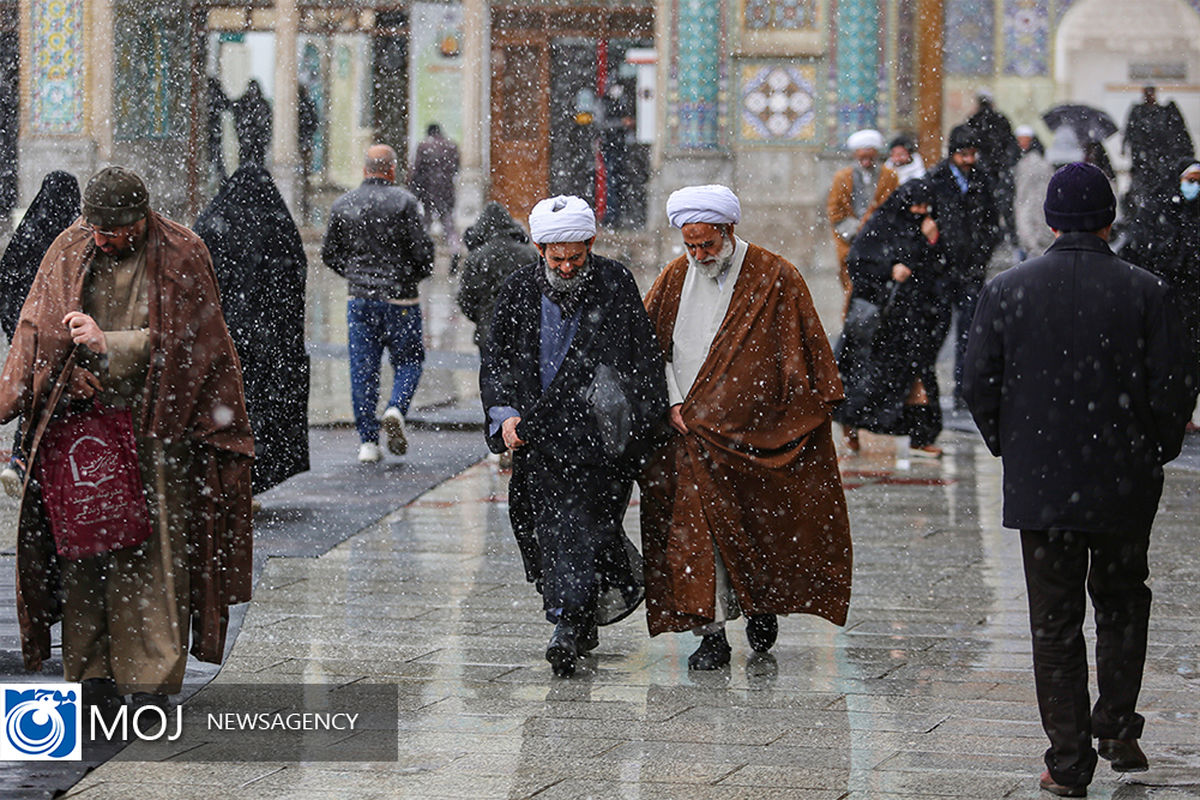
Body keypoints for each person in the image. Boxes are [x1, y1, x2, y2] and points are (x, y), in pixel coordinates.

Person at [963, 162, 1196, 798]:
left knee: (1055, 621)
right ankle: (1117, 724)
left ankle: (1068, 760)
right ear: (1108, 218)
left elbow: (976, 385)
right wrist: (1154, 449)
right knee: (1122, 600)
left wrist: (1013, 447)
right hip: (1123, 480)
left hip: (1043, 486)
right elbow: (1174, 385)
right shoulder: (1147, 290)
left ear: (1050, 220)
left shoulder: (1008, 290)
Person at [0, 166, 254, 716]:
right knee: (84, 554)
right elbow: (34, 329)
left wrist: (109, 343)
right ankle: (90, 672)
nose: (101, 240)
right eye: (95, 229)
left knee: (152, 555)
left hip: (155, 432)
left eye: (112, 231)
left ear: (140, 221)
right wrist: (22, 390)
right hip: (84, 431)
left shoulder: (181, 253)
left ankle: (149, 680)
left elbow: (194, 344)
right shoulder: (69, 248)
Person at [640, 184, 852, 670]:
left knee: (758, 529)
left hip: (756, 439)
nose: (698, 255)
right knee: (697, 536)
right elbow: (650, 352)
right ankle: (710, 632)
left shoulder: (775, 276)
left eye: (707, 245)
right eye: (690, 245)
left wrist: (776, 415)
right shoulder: (675, 278)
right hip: (691, 437)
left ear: (729, 231)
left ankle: (761, 604)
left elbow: (805, 358)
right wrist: (672, 403)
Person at [480, 195, 666, 677]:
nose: (565, 267)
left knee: (584, 526)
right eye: (555, 258)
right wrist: (504, 417)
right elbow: (496, 361)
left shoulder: (614, 283)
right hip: (537, 436)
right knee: (548, 528)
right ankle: (575, 613)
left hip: (598, 440)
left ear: (591, 244)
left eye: (575, 258)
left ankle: (565, 622)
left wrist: (639, 424)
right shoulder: (519, 289)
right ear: (539, 248)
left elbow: (640, 360)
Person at [195, 162, 311, 493]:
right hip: (269, 342)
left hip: (222, 339)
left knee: (225, 410)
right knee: (262, 410)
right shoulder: (279, 228)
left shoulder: (213, 225)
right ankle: (253, 478)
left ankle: (226, 477)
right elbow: (293, 282)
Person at [322, 144, 434, 463]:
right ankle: (396, 407)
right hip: (401, 297)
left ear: (365, 169)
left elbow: (330, 253)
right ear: (392, 170)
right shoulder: (405, 202)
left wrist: (356, 274)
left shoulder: (344, 204)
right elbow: (423, 252)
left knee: (363, 368)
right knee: (409, 360)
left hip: (360, 299)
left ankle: (368, 443)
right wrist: (409, 276)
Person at [835, 179, 949, 458]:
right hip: (882, 323)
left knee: (918, 378)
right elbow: (859, 261)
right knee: (870, 380)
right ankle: (851, 425)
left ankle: (921, 436)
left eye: (925, 206)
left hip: (915, 320)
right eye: (916, 206)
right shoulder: (882, 225)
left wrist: (930, 240)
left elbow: (936, 267)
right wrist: (889, 269)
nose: (920, 211)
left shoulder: (926, 227)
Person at [0, 171, 81, 497]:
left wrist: (18, 331)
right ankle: (36, 466)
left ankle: (21, 462)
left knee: (33, 397)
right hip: (57, 336)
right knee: (51, 399)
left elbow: (5, 283)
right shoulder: (69, 240)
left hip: (29, 334)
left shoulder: (27, 233)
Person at [926, 124, 1000, 407]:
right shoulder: (936, 180)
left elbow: (992, 223)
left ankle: (963, 389)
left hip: (971, 269)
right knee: (937, 330)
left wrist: (981, 252)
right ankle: (928, 392)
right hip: (943, 271)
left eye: (973, 154)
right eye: (964, 154)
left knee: (970, 333)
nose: (970, 160)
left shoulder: (982, 181)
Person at [827, 129, 900, 312]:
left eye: (870, 157)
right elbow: (836, 213)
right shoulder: (842, 178)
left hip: (881, 244)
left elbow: (894, 209)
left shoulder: (889, 177)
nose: (866, 162)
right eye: (862, 157)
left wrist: (876, 230)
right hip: (851, 243)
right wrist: (858, 231)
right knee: (853, 289)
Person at [457, 201, 538, 352]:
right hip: (524, 331)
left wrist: (481, 318)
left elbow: (466, 298)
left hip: (489, 333)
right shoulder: (529, 254)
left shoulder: (477, 257)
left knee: (492, 374)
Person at [1123, 86, 1193, 211]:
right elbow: (1130, 132)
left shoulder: (1164, 112)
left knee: (1160, 189)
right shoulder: (1139, 112)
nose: (1150, 97)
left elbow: (1173, 133)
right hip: (1145, 159)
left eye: (1151, 94)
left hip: (1160, 157)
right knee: (1146, 190)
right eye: (1147, 94)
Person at [967, 91, 1019, 243]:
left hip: (983, 168)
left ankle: (988, 236)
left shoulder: (974, 120)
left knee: (984, 206)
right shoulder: (1001, 120)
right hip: (1001, 168)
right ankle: (1011, 238)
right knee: (1005, 206)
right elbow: (1010, 144)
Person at [410, 123, 460, 253]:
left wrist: (414, 188)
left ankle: (423, 251)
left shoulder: (424, 146)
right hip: (447, 189)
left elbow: (416, 170)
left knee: (426, 222)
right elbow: (456, 168)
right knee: (448, 223)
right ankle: (455, 248)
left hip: (428, 189)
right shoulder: (452, 146)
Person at [1014, 126, 1056, 259]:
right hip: (1039, 210)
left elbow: (1022, 193)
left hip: (1031, 208)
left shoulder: (1025, 163)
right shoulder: (1043, 162)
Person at [232, 79, 272, 168]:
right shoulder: (259, 104)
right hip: (252, 141)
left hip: (252, 140)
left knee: (250, 162)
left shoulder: (246, 103)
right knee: (254, 162)